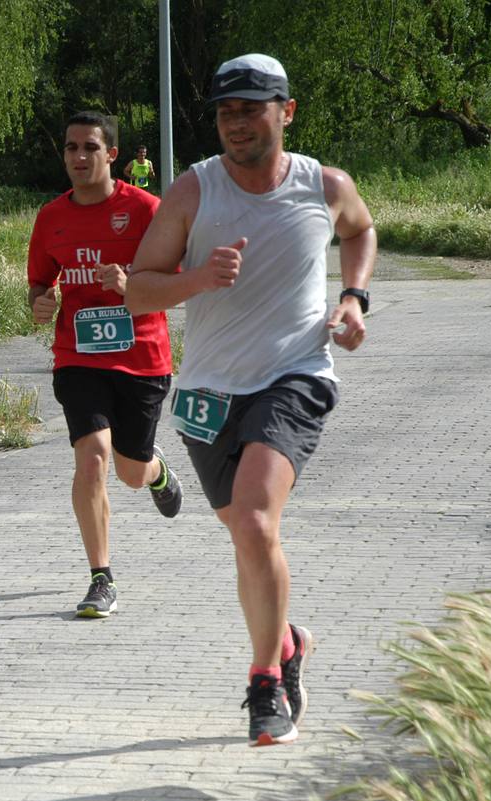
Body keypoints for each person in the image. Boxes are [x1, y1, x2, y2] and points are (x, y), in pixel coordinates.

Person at [124, 54, 376, 746]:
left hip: (295, 376)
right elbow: (137, 288)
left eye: (250, 108)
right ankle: (287, 641)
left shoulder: (322, 185)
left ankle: (264, 682)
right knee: (244, 533)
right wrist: (197, 279)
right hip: (207, 391)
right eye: (224, 111)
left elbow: (358, 229)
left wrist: (353, 297)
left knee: (258, 522)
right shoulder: (191, 192)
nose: (235, 123)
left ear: (284, 111)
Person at [27, 111, 183, 620]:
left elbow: (176, 284)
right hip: (78, 356)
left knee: (130, 472)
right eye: (71, 148)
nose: (78, 157)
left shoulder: (145, 210)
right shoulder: (51, 217)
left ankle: (156, 472)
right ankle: (101, 577)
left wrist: (131, 286)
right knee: (91, 455)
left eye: (89, 147)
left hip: (141, 357)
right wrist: (40, 303)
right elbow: (38, 283)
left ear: (112, 154)